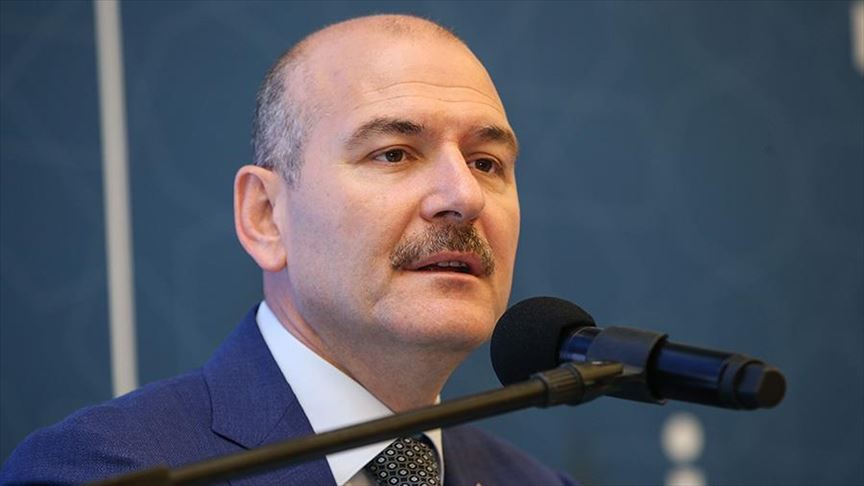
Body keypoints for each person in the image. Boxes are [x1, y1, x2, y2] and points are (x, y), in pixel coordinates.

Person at [1, 14, 575, 485]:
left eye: (485, 163)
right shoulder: (108, 470)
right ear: (265, 216)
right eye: (394, 154)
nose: (464, 196)